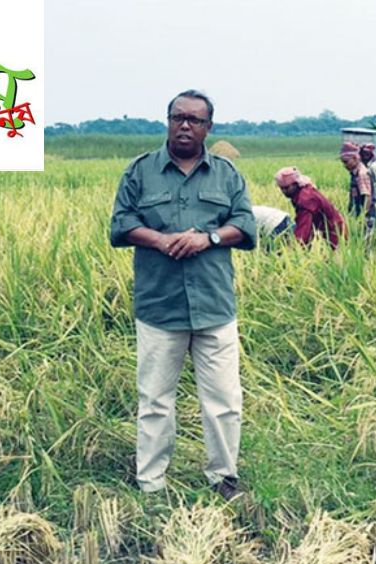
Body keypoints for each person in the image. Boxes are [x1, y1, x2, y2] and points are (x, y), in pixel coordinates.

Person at [109, 89, 256, 499]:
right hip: (160, 307)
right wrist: (159, 239)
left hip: (214, 307)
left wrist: (207, 238)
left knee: (224, 401)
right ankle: (151, 483)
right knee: (155, 401)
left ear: (209, 127)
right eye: (178, 118)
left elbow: (245, 225)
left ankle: (223, 477)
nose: (185, 126)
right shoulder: (140, 171)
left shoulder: (226, 174)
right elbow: (120, 225)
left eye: (194, 120)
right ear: (168, 121)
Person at [274, 166, 348, 249]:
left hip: (334, 232)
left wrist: (294, 249)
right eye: (282, 188)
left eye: (287, 188)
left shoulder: (305, 199)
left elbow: (303, 228)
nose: (284, 192)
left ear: (296, 184)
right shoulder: (302, 192)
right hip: (327, 229)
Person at [340, 141, 376, 231]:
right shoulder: (354, 173)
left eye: (346, 162)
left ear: (355, 158)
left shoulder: (362, 174)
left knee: (364, 242)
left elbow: (367, 197)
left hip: (365, 217)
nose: (345, 165)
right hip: (358, 214)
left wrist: (362, 216)